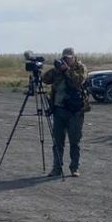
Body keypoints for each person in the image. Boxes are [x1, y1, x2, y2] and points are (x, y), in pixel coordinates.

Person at [42, 48, 89, 176]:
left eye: (69, 57)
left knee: (74, 141)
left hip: (75, 111)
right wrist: (55, 69)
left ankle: (74, 167)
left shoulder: (80, 68)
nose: (67, 59)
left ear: (74, 57)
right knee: (57, 142)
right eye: (65, 57)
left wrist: (66, 70)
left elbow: (78, 81)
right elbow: (45, 80)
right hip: (59, 110)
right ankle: (57, 168)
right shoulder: (59, 69)